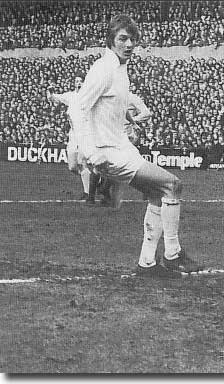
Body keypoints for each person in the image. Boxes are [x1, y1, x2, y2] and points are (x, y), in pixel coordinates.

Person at [74, 14, 203, 277]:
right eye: (123, 38)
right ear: (111, 40)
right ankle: (172, 254)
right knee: (172, 185)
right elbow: (78, 107)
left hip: (120, 147)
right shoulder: (104, 68)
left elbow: (111, 105)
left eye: (133, 39)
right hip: (109, 153)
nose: (129, 44)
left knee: (158, 194)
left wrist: (130, 119)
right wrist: (89, 151)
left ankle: (147, 263)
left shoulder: (120, 70)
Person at [96, 92, 152, 207]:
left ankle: (106, 190)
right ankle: (106, 192)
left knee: (121, 165)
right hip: (112, 134)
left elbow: (147, 113)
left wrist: (132, 120)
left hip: (127, 136)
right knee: (115, 164)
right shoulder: (111, 98)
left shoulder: (132, 98)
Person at [47, 74, 95, 202]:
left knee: (82, 162)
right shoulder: (70, 96)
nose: (78, 83)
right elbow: (53, 98)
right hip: (73, 135)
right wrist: (50, 90)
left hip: (86, 134)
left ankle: (88, 192)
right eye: (76, 81)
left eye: (81, 81)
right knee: (72, 167)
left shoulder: (90, 96)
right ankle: (94, 182)